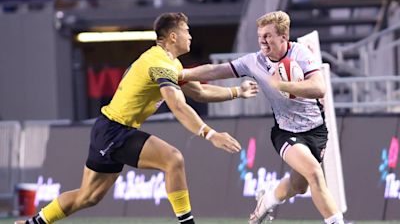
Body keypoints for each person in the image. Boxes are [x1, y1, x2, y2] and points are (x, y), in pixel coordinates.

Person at [16, 12, 259, 224]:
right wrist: (210, 134)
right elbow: (177, 105)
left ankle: (33, 223)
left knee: (87, 197)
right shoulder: (158, 64)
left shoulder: (169, 62)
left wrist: (237, 92)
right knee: (173, 159)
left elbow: (200, 91)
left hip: (108, 129)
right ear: (172, 37)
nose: (190, 36)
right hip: (115, 131)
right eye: (186, 31)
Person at [179, 11, 345, 224]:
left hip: (316, 130)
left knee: (300, 185)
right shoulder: (254, 61)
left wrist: (282, 85)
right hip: (286, 132)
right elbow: (215, 70)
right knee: (314, 173)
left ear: (283, 37)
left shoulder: (301, 54)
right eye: (260, 35)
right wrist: (181, 74)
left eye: (268, 35)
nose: (262, 40)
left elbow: (319, 87)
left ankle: (268, 198)